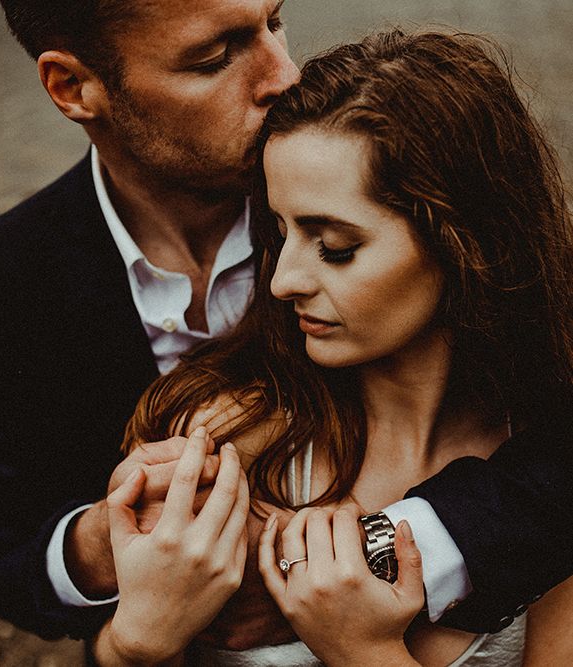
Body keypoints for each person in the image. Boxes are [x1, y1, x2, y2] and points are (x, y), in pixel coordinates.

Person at [0, 0, 570, 655]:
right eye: (213, 58)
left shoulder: (347, 151)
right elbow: (12, 556)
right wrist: (110, 542)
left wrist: (367, 556)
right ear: (73, 87)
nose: (285, 76)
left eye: (274, 21)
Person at [100, 29, 573, 665]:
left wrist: (362, 650)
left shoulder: (551, 478)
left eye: (336, 246)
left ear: (463, 242)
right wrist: (134, 643)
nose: (281, 280)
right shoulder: (222, 440)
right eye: (278, 231)